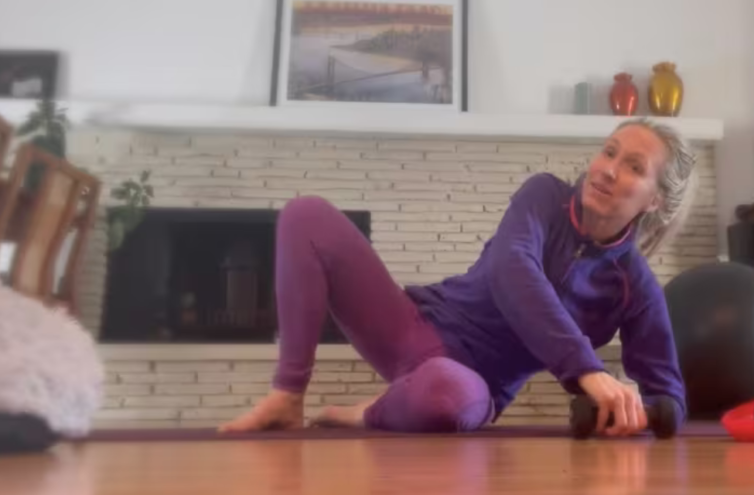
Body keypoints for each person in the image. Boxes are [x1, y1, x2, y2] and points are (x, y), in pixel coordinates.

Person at [220, 118, 698, 437]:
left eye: (634, 167)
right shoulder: (544, 197)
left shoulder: (635, 288)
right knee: (307, 217)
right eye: (609, 152)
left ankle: (365, 413)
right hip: (412, 326)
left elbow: (670, 397)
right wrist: (588, 371)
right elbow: (513, 271)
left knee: (446, 396)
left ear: (655, 200)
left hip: (471, 385)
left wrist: (640, 411)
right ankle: (286, 397)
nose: (609, 170)